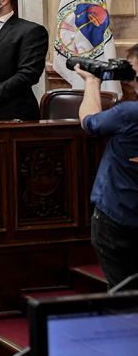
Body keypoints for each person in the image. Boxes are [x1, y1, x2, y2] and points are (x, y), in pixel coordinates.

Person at [78, 45, 138, 290]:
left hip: (119, 217)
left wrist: (92, 82)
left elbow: (89, 122)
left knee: (125, 295)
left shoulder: (129, 113)